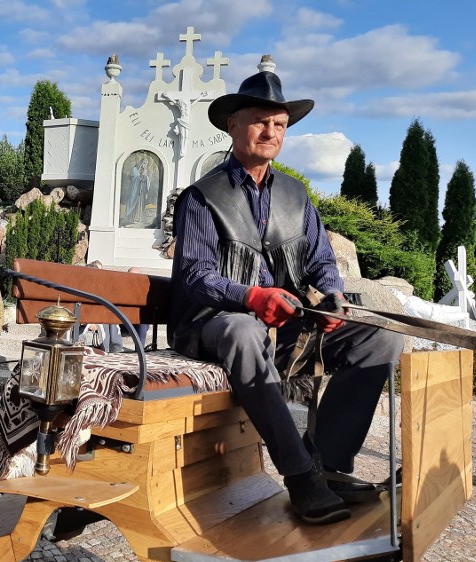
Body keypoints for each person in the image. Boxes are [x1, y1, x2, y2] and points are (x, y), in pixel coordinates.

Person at [168, 68, 403, 525]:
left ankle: (330, 466)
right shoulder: (201, 197)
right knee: (240, 331)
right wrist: (252, 296)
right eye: (259, 120)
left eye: (279, 124)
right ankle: (300, 476)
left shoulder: (297, 195)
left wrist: (332, 296)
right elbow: (195, 277)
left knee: (380, 340)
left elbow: (321, 262)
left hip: (282, 321)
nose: (270, 131)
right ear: (232, 125)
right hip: (211, 322)